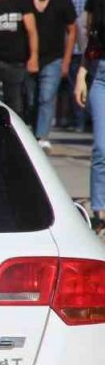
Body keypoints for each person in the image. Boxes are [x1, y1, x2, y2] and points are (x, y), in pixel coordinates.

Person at [28, 0, 78, 149]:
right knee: (31, 98)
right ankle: (31, 132)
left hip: (54, 58)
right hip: (27, 57)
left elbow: (72, 31)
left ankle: (41, 136)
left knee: (46, 97)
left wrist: (66, 60)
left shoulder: (62, 1)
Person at [74, 50, 105, 232]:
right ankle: (99, 209)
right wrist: (81, 75)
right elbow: (93, 41)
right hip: (101, 76)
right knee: (102, 148)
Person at [65, 0, 95, 131]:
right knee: (93, 84)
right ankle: (92, 120)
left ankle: (79, 122)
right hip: (93, 49)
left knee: (75, 86)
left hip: (74, 48)